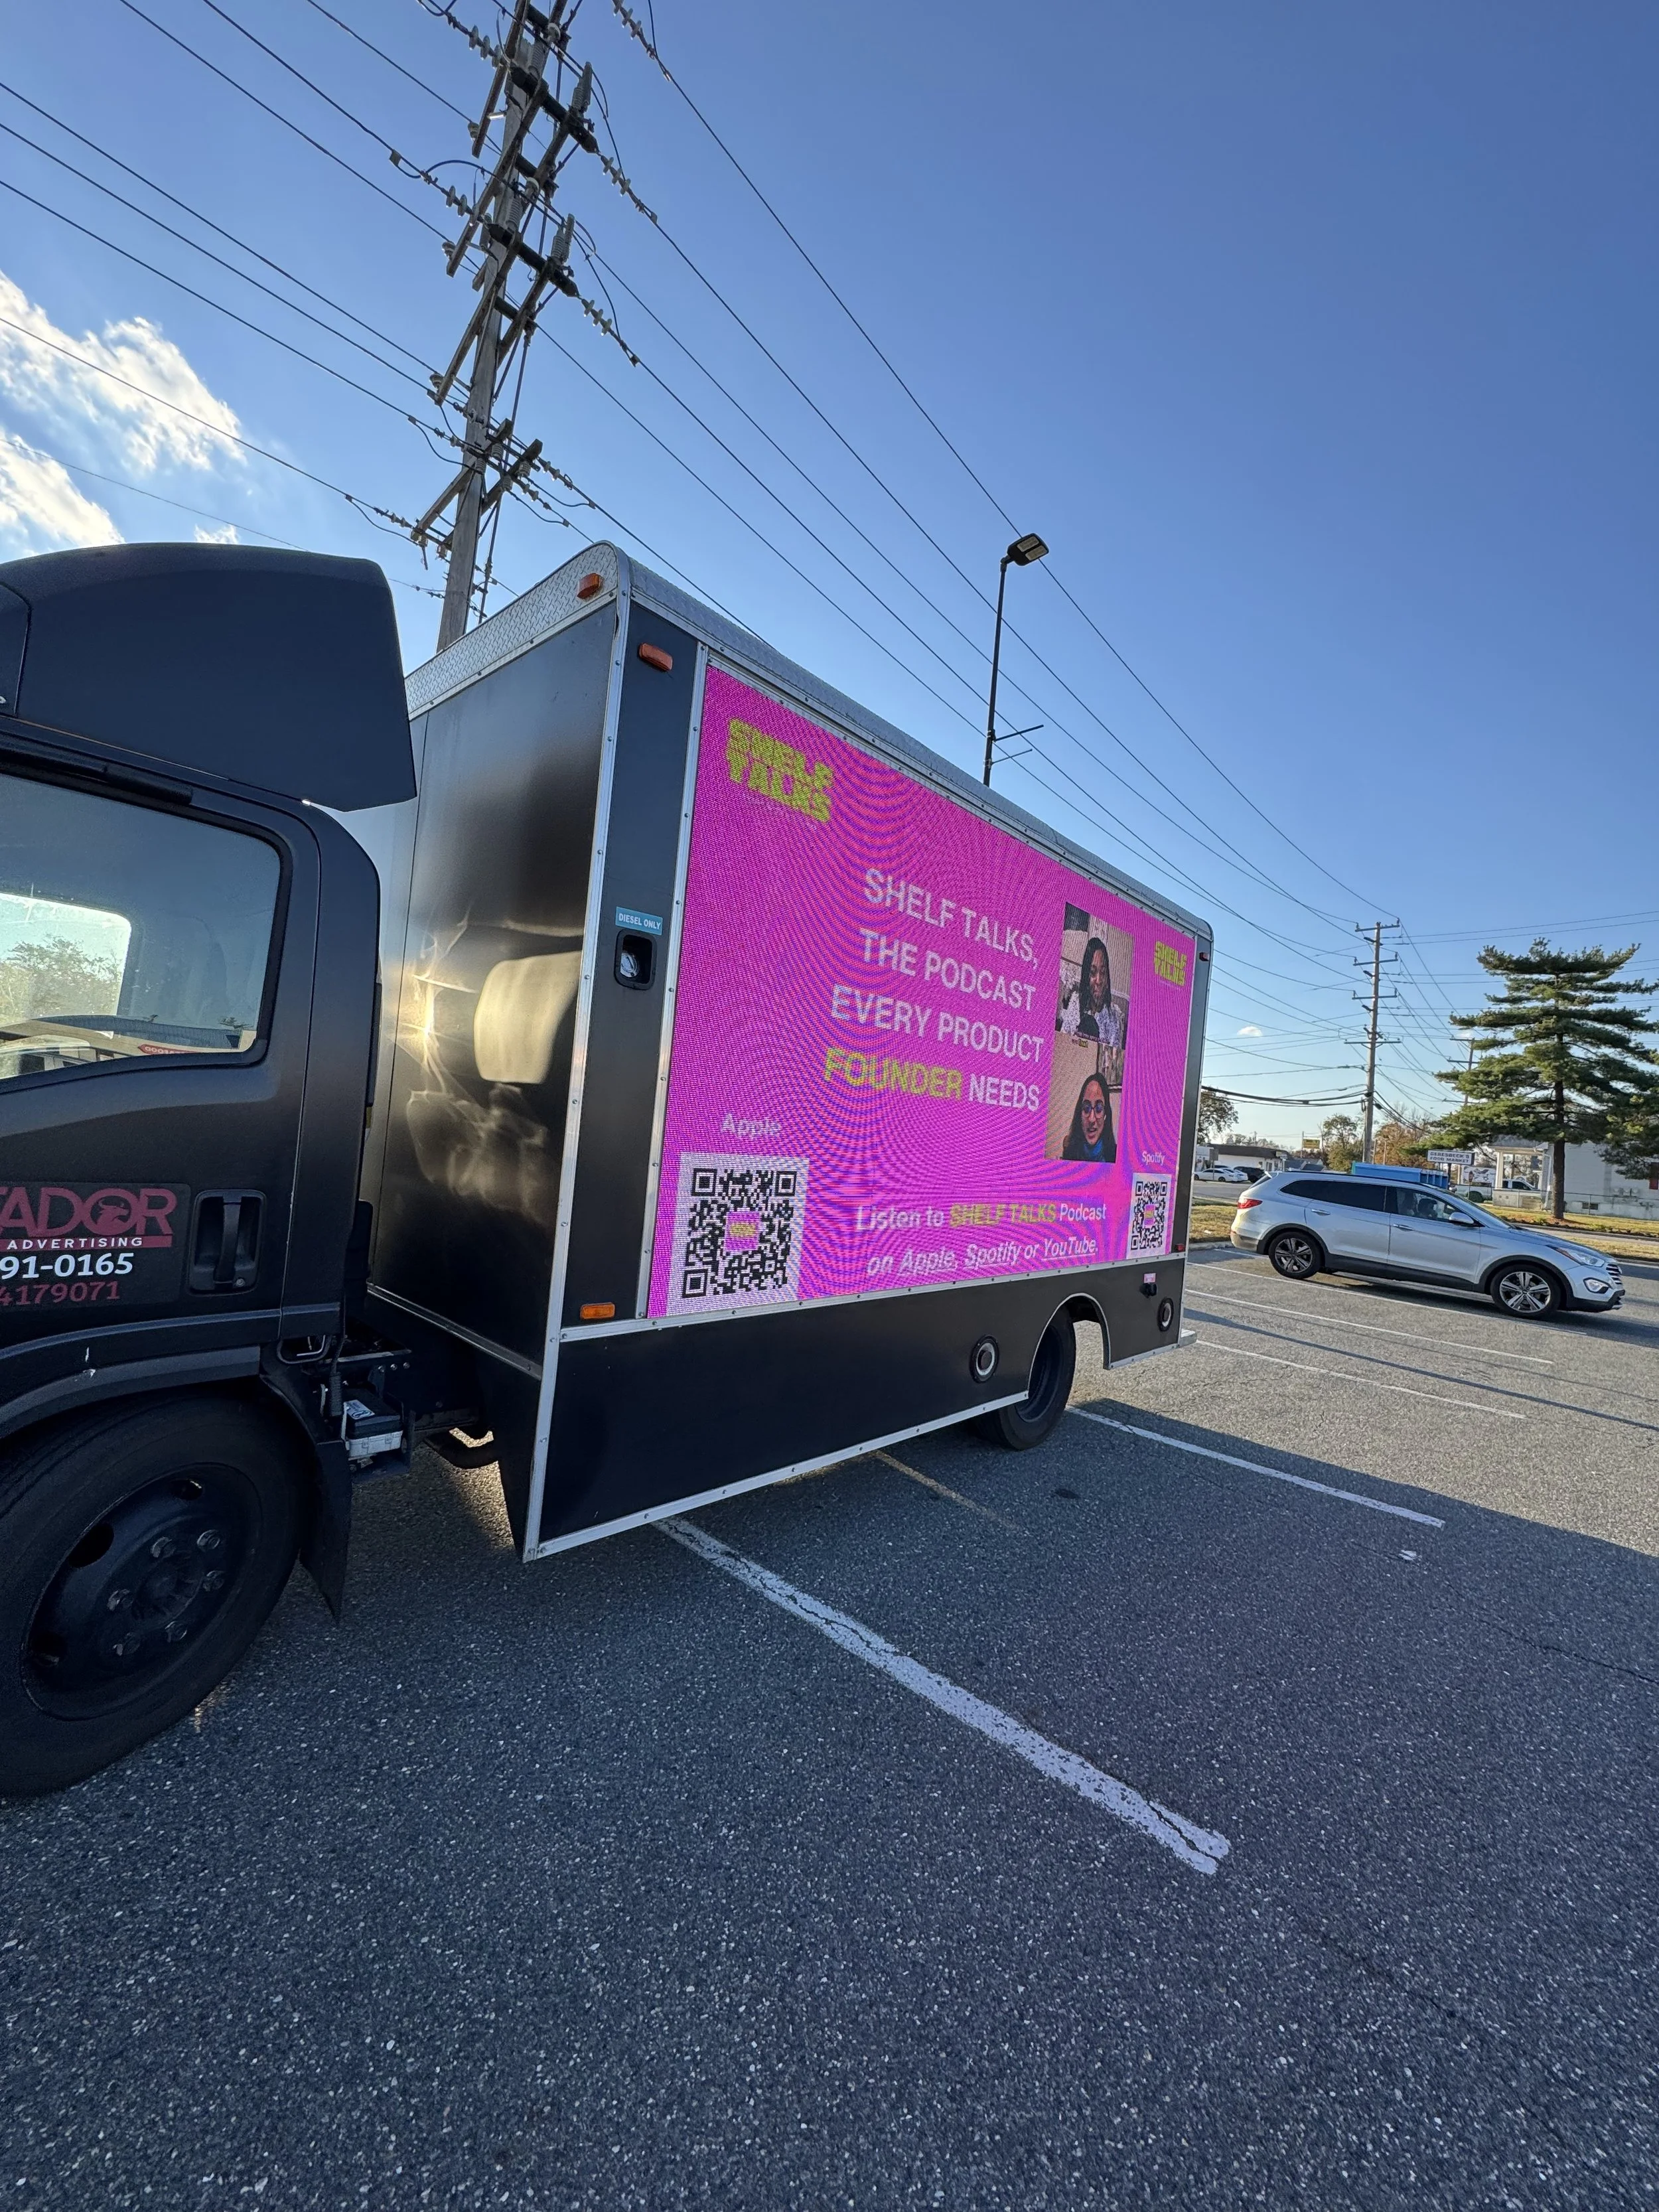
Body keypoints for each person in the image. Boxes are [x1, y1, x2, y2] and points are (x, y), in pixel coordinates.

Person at [1060, 935, 1125, 1050]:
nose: (1099, 981)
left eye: (1103, 973)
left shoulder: (1114, 1017)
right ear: (1086, 975)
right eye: (1093, 972)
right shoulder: (1075, 1003)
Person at [1062, 1073, 1116, 1163]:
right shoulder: (1069, 1153)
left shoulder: (1116, 1156)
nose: (1091, 1119)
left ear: (1106, 1114)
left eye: (1099, 1109)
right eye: (1086, 1108)